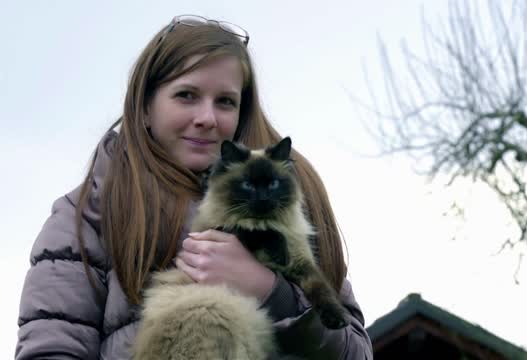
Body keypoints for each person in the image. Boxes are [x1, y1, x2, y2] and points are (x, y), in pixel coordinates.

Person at [15, 15, 373, 360]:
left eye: (225, 101)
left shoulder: (295, 195)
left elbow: (357, 351)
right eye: (186, 95)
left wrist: (272, 293)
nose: (207, 118)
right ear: (144, 108)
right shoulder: (83, 215)